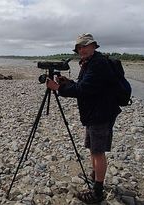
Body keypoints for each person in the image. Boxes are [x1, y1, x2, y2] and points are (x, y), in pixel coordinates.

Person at [46, 33, 121, 203]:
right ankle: (95, 178)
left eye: (85, 46)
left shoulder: (98, 63)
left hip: (101, 114)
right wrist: (68, 83)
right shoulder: (90, 62)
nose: (82, 50)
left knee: (98, 152)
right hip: (94, 113)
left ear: (94, 46)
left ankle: (97, 192)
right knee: (93, 149)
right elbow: (83, 85)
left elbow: (85, 90)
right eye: (79, 47)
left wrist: (58, 88)